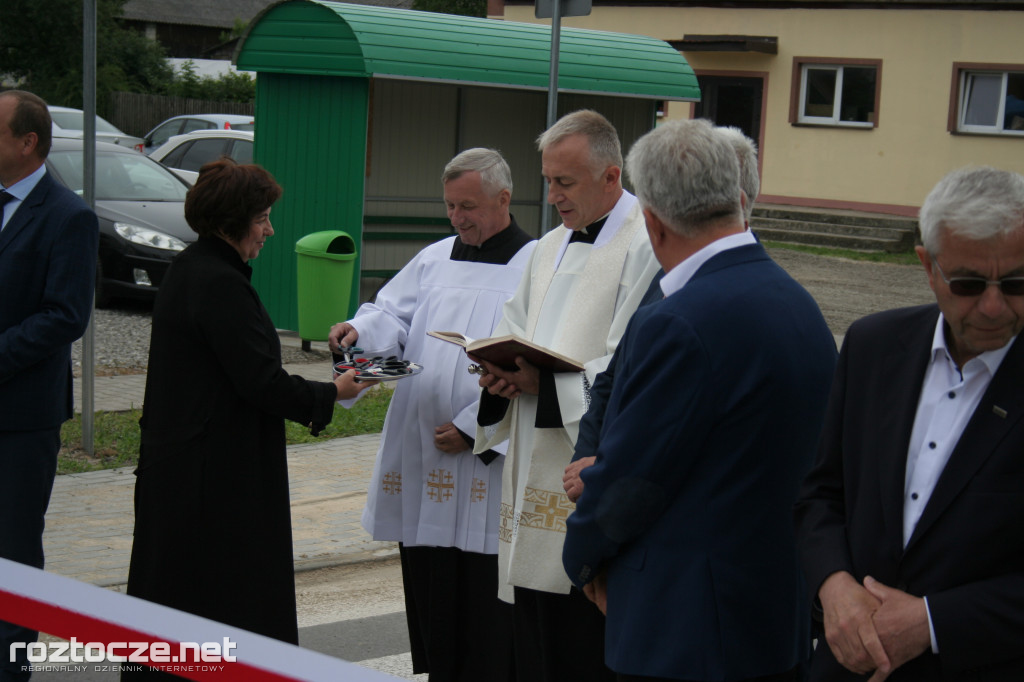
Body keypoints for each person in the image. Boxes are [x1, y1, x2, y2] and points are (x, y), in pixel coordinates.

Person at [561, 118, 837, 682]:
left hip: (687, 632)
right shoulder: (797, 303)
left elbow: (633, 481)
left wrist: (583, 557)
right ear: (735, 199)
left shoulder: (679, 322)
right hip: (770, 617)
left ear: (653, 222)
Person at [124, 159, 372, 678]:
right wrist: (333, 392)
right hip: (214, 482)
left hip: (185, 470)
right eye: (262, 217)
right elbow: (261, 382)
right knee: (225, 603)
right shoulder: (220, 283)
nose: (270, 229)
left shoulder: (190, 269)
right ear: (230, 220)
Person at [794, 165, 1024, 681]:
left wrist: (931, 622)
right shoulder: (873, 345)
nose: (992, 305)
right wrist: (834, 585)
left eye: (1016, 282)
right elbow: (821, 496)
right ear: (927, 265)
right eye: (967, 283)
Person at [327, 148, 534, 682]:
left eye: (467, 206)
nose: (456, 218)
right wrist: (359, 337)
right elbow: (392, 318)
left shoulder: (535, 264)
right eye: (449, 207)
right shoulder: (437, 256)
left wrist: (474, 428)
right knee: (431, 574)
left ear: (503, 199)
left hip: (483, 455)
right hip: (421, 447)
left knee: (483, 586)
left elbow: (535, 356)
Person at [474, 110, 660, 681]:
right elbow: (515, 324)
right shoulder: (547, 246)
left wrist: (545, 385)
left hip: (584, 463)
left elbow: (631, 357)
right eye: (548, 179)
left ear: (611, 176)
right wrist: (500, 373)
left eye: (565, 182)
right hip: (531, 449)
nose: (551, 195)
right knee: (533, 642)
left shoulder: (645, 244)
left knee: (579, 645)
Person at [563, 124, 761, 504]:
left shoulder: (692, 317)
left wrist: (601, 475)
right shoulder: (664, 279)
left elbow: (665, 444)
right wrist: (586, 459)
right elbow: (611, 378)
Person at [0, 90, 98, 682]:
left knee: (12, 550)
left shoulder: (68, 215)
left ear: (26, 142)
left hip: (20, 418)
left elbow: (66, 315)